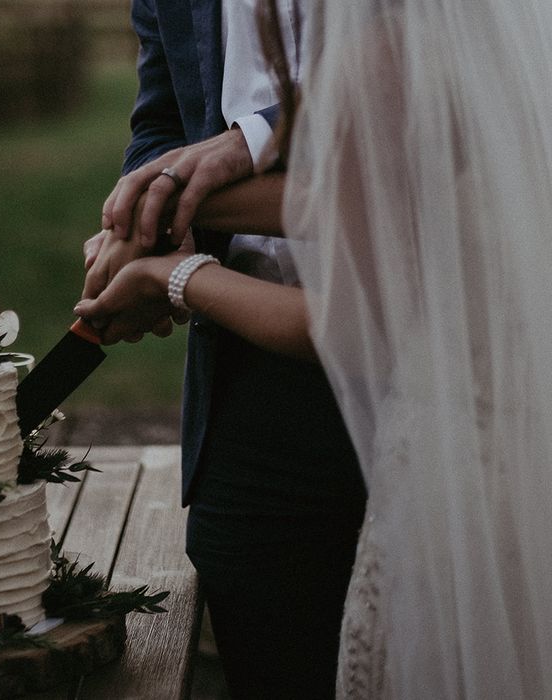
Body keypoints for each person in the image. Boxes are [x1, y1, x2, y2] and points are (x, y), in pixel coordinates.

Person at [78, 1, 366, 696]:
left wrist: (194, 188)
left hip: (419, 385)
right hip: (249, 377)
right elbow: (164, 124)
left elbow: (399, 177)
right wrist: (150, 224)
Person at [275, 0, 552, 696]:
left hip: (461, 498)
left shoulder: (382, 59)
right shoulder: (517, 46)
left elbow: (345, 331)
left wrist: (180, 278)